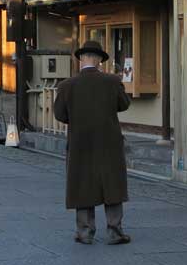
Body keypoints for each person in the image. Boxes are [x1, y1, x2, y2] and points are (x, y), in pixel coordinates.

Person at [54, 40, 131, 245]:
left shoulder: (67, 85)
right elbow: (124, 105)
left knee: (82, 184)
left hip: (80, 142)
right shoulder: (112, 81)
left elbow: (60, 114)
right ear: (99, 60)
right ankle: (115, 230)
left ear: (81, 60)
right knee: (112, 183)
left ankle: (85, 232)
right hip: (109, 141)